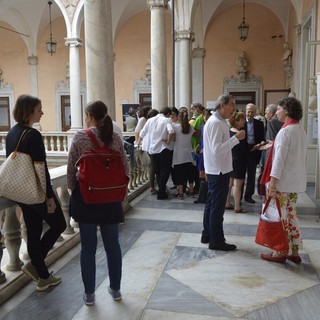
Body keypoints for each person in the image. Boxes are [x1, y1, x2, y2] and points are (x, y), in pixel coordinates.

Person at [67, 100, 129, 305]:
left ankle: (90, 294)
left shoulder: (80, 136)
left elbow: (70, 166)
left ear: (89, 116)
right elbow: (125, 166)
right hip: (110, 199)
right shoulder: (116, 137)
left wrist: (71, 188)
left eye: (86, 115)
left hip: (87, 198)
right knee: (113, 245)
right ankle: (116, 289)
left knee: (88, 248)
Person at [5, 94, 66, 292]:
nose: (42, 113)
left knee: (33, 231)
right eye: (39, 110)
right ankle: (37, 267)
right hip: (35, 193)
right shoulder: (32, 135)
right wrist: (49, 197)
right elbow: (41, 169)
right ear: (29, 111)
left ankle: (42, 276)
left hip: (19, 192)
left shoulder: (12, 133)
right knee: (59, 224)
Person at [260, 97, 307, 263]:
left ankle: (279, 251)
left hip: (283, 182)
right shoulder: (299, 129)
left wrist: (272, 183)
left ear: (286, 110)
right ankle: (294, 251)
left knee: (280, 216)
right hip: (295, 182)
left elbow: (278, 160)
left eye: (278, 109)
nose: (276, 112)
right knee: (291, 214)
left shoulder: (285, 131)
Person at [201, 95, 245, 251]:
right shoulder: (215, 123)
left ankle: (207, 234)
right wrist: (236, 138)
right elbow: (216, 150)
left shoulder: (219, 122)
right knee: (217, 208)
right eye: (232, 105)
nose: (234, 108)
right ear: (222, 105)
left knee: (212, 204)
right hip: (218, 170)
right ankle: (216, 240)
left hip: (217, 169)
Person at [140, 107, 174, 200]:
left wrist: (138, 142)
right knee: (165, 171)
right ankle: (161, 191)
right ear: (167, 113)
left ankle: (161, 191)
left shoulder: (150, 120)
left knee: (158, 171)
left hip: (153, 149)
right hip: (164, 148)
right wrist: (168, 141)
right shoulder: (167, 120)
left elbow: (142, 133)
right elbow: (171, 131)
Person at [226, 111, 248, 213]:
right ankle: (237, 206)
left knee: (229, 184)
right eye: (242, 119)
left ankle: (226, 203)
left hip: (230, 159)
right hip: (239, 160)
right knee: (237, 185)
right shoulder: (241, 133)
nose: (244, 121)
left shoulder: (229, 131)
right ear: (236, 121)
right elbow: (245, 149)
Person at [243, 103, 265, 203]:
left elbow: (262, 138)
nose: (250, 114)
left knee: (251, 174)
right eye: (248, 112)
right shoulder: (241, 123)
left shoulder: (259, 124)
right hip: (242, 150)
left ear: (255, 112)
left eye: (252, 112)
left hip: (254, 150)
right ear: (245, 112)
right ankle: (238, 196)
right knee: (240, 175)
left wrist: (260, 144)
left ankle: (248, 196)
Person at [172, 109, 196, 199]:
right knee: (190, 173)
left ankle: (181, 192)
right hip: (189, 153)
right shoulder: (190, 127)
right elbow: (194, 134)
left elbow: (173, 137)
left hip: (179, 153)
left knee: (179, 173)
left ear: (179, 117)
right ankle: (191, 191)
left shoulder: (176, 127)